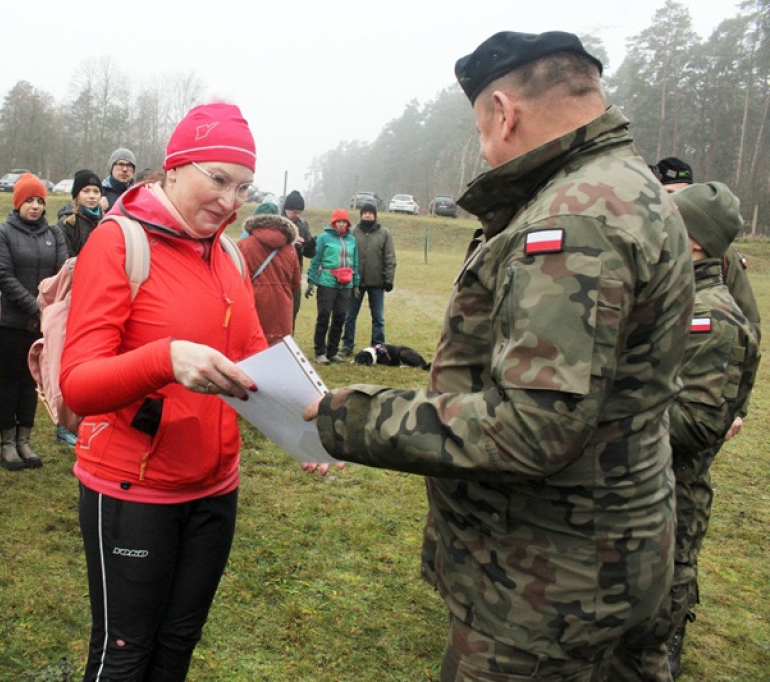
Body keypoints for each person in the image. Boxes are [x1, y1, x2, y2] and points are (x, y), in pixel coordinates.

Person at [304, 31, 693, 680]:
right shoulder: (632, 187)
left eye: (482, 130)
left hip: (548, 583)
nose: (486, 149)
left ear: (504, 112)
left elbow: (533, 427)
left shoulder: (574, 218)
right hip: (619, 547)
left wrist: (350, 418)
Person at [60, 102, 268, 681]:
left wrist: (309, 418)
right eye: (218, 179)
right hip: (134, 490)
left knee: (178, 645)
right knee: (126, 653)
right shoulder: (118, 242)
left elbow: (254, 356)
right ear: (173, 168)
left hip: (214, 485)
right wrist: (165, 359)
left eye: (243, 187)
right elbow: (78, 385)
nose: (230, 201)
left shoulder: (226, 251)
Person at [657, 183, 760, 677]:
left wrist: (615, 411)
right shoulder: (677, 294)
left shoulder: (710, 314)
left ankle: (664, 645)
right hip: (647, 469)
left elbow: (697, 422)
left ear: (694, 238)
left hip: (675, 475)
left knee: (671, 563)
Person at [0, 173, 68, 470]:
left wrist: (47, 311)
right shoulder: (3, 233)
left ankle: (25, 439)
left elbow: (62, 271)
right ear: (18, 202)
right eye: (29, 200)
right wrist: (35, 306)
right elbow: (4, 276)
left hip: (42, 321)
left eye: (39, 201)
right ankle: (7, 443)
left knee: (32, 381)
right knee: (11, 379)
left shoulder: (54, 234)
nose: (34, 206)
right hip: (10, 321)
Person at [655, 156, 761, 346]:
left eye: (676, 194)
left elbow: (748, 320)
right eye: (665, 194)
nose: (669, 203)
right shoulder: (649, 243)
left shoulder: (723, 252)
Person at [238, 202, 301, 345]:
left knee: (252, 347)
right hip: (282, 307)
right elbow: (296, 282)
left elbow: (235, 279)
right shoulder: (290, 249)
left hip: (252, 303)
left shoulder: (243, 245)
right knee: (278, 349)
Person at [341, 202, 396, 356]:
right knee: (350, 316)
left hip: (377, 282)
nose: (367, 215)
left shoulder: (384, 234)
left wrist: (389, 279)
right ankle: (347, 345)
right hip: (355, 282)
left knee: (378, 317)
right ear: (361, 215)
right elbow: (345, 255)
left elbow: (390, 257)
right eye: (364, 212)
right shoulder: (352, 232)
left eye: (370, 212)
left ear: (375, 215)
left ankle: (378, 346)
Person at [306, 208, 359, 364]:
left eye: (344, 222)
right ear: (333, 223)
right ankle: (320, 351)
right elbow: (316, 260)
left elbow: (355, 263)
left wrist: (356, 283)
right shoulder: (323, 238)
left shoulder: (352, 240)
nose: (341, 224)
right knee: (324, 316)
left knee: (340, 317)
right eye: (338, 221)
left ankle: (333, 350)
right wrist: (311, 281)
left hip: (346, 283)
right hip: (327, 282)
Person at [282, 190, 316, 326]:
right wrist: (289, 242)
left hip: (296, 271)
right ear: (286, 209)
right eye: (294, 211)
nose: (296, 215)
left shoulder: (303, 224)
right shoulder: (277, 222)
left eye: (299, 212)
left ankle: (290, 341)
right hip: (279, 271)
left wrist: (310, 245)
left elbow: (309, 252)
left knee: (294, 309)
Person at [59, 169, 104, 255]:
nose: (92, 196)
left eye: (96, 191)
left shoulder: (105, 221)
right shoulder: (67, 224)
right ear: (77, 195)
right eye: (86, 191)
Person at [100, 147, 136, 212]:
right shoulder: (99, 192)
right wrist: (97, 210)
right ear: (111, 167)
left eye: (129, 165)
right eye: (120, 164)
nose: (125, 169)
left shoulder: (137, 194)